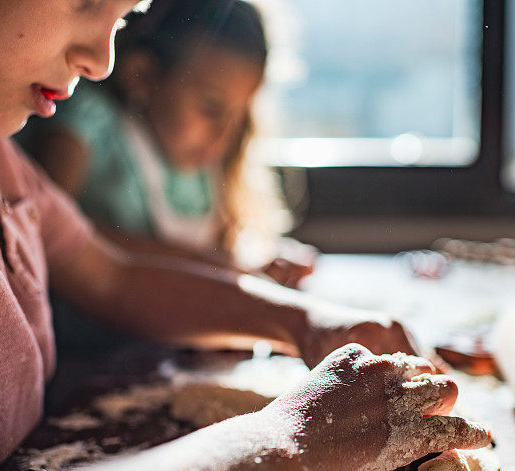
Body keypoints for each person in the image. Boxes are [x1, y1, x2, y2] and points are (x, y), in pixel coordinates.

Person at [0, 0, 490, 471]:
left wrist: (305, 322)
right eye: (85, 1)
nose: (102, 61)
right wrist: (283, 446)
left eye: (119, 20)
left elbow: (112, 274)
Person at [21, 0, 315, 288]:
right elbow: (49, 229)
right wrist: (210, 264)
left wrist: (259, 266)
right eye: (211, 109)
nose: (224, 135)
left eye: (239, 118)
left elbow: (222, 255)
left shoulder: (209, 170)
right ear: (143, 76)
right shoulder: (90, 124)